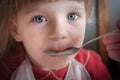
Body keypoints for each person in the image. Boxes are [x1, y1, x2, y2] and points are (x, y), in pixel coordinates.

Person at [0, 0, 112, 80]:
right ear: (16, 29)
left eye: (72, 16)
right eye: (39, 19)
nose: (59, 33)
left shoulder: (92, 63)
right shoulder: (6, 69)